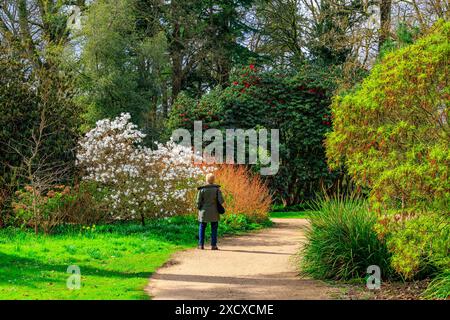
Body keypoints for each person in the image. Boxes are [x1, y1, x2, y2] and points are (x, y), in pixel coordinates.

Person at [196, 173, 224, 250]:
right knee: (214, 228)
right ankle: (213, 245)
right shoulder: (217, 189)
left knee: (202, 227)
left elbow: (198, 202)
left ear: (206, 180)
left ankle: (201, 245)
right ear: (213, 180)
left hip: (204, 212)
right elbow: (221, 201)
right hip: (214, 212)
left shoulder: (202, 190)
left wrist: (199, 209)